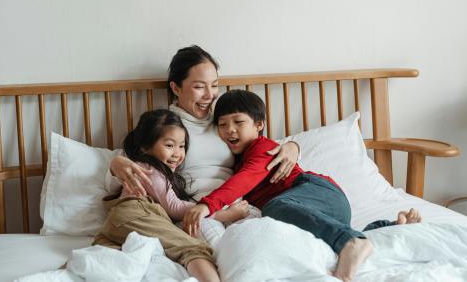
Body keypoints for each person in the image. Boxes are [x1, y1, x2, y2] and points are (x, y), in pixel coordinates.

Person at [182, 89, 422, 282]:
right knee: (301, 234)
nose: (229, 130)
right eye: (222, 125)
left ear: (259, 125)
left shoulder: (264, 148)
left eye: (238, 122)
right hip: (315, 210)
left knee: (275, 207)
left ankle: (352, 241)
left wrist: (207, 205)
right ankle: (386, 228)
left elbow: (245, 179)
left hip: (315, 190)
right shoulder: (235, 160)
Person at [108, 45, 300, 206]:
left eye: (214, 85)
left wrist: (292, 147)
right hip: (193, 209)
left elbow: (258, 148)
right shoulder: (164, 126)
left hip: (237, 205)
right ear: (175, 88)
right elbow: (128, 169)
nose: (210, 95)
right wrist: (115, 165)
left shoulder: (224, 122)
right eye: (199, 87)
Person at [94, 109, 249, 282]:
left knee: (107, 259)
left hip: (120, 222)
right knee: (195, 248)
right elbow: (174, 208)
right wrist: (225, 214)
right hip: (135, 213)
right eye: (169, 145)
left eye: (181, 146)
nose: (177, 153)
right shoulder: (149, 170)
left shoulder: (158, 172)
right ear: (146, 147)